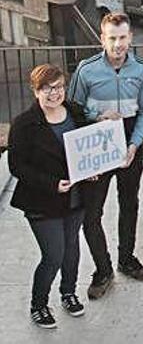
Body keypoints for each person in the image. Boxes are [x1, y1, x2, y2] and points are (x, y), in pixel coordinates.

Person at [68, 12, 143, 300]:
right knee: (92, 213)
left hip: (129, 139)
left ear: (130, 38)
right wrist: (97, 116)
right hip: (97, 139)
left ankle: (126, 259)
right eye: (112, 38)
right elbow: (73, 110)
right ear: (102, 39)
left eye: (123, 38)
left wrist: (134, 144)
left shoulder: (141, 69)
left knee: (129, 204)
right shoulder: (86, 70)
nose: (118, 44)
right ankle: (102, 270)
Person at [9, 65, 92, 328]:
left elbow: (88, 145)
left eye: (59, 86)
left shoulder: (76, 113)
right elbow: (17, 166)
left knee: (72, 251)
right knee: (54, 254)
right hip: (42, 201)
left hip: (75, 197)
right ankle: (39, 304)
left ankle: (68, 292)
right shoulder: (24, 124)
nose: (54, 93)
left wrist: (92, 169)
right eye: (47, 88)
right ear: (35, 91)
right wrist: (52, 184)